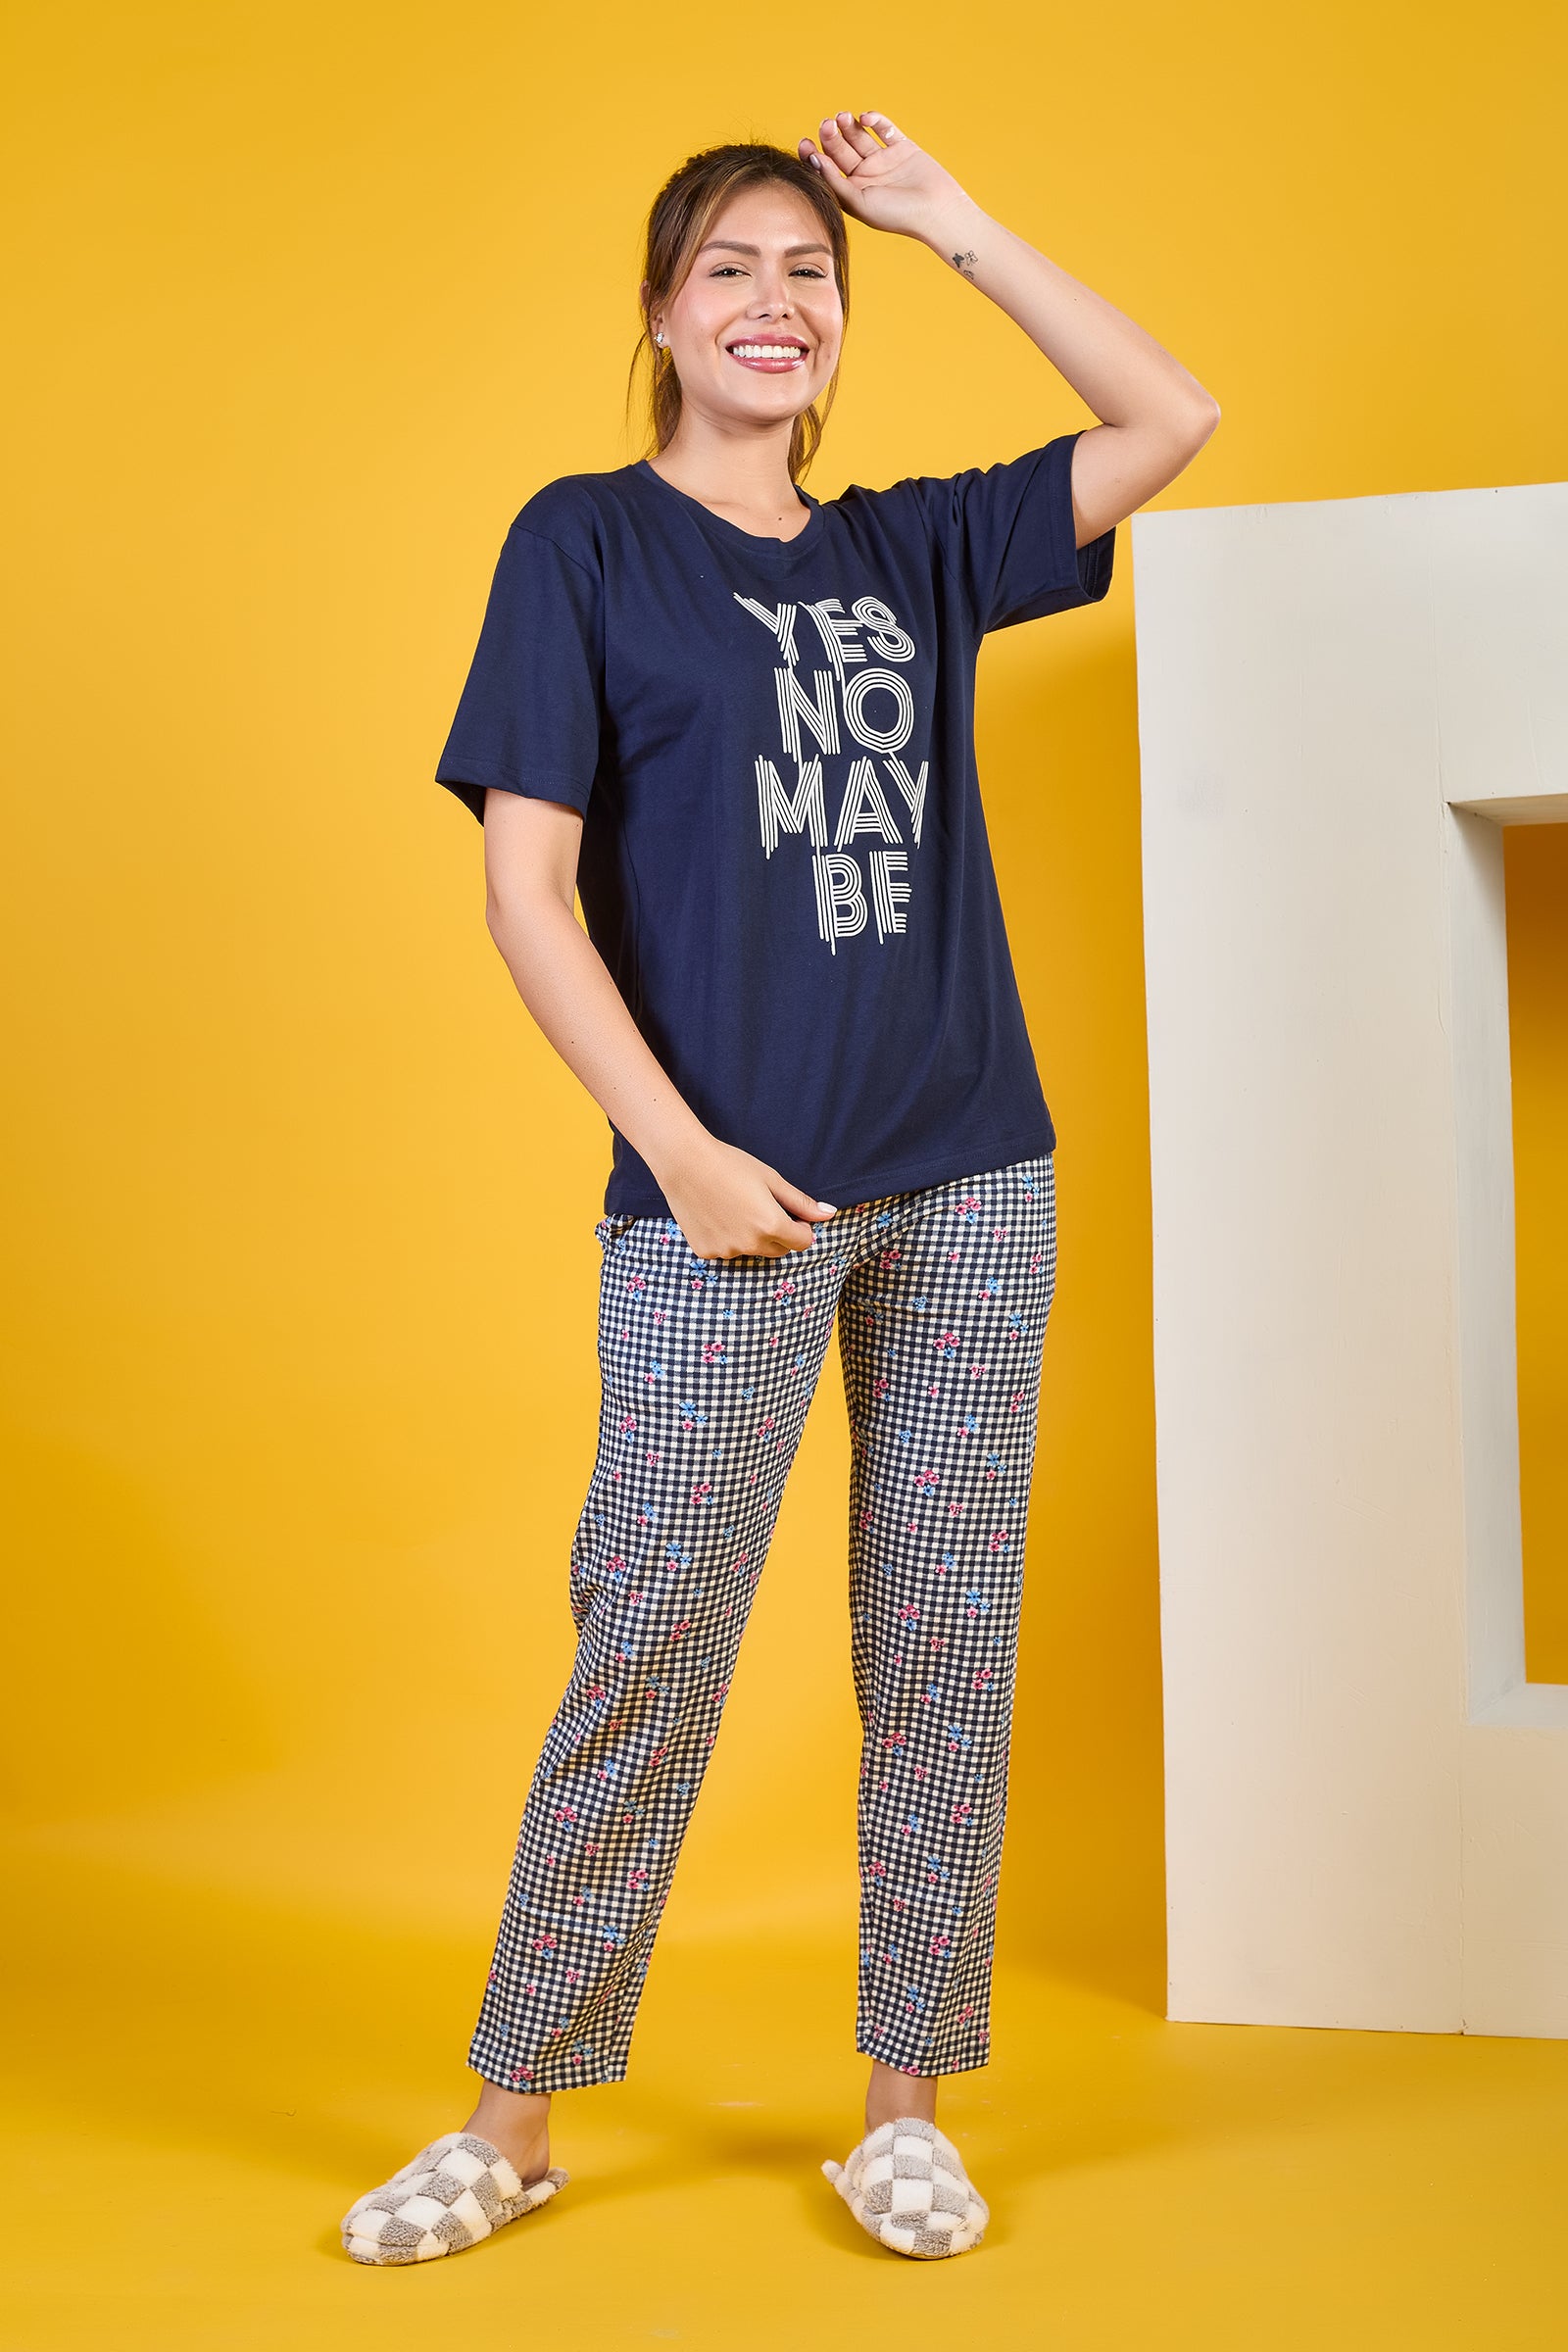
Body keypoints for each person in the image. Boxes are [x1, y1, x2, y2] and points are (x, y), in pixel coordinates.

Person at [342, 109, 1218, 2268]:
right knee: (648, 1634)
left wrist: (952, 223)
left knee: (942, 1642)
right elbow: (526, 892)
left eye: (808, 272)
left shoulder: (912, 551)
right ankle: (514, 2120)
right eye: (728, 266)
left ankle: (905, 2110)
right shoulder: (583, 546)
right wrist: (679, 1151)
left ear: (840, 327)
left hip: (970, 1177)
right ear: (660, 314)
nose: (772, 299)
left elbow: (1168, 416)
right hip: (720, 1187)